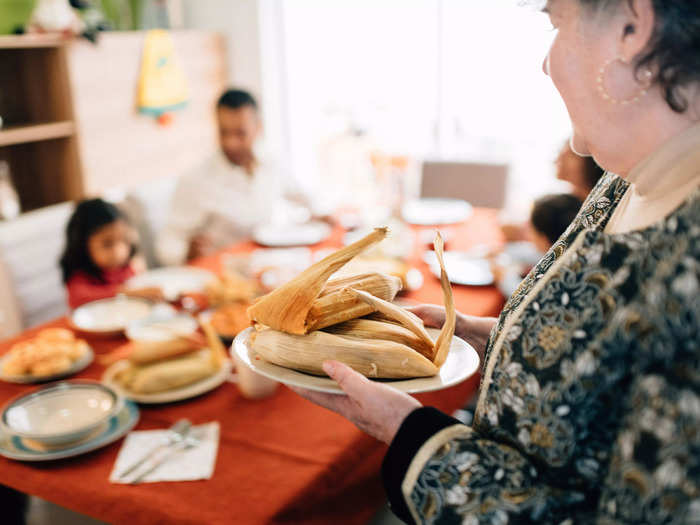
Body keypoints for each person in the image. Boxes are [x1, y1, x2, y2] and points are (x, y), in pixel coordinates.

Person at [293, 1, 699, 523]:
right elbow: (595, 379)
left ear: (631, 25)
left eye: (557, 22)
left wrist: (410, 434)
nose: (546, 63)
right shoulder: (624, 179)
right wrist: (498, 338)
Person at [157, 89, 305, 265]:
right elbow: (166, 245)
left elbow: (300, 194)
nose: (230, 143)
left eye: (240, 133)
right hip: (221, 275)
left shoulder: (270, 162)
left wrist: (323, 213)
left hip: (267, 264)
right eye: (223, 132)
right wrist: (186, 253)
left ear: (258, 128)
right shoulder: (195, 180)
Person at [60, 199, 162, 309]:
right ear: (82, 245)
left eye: (124, 240)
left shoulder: (125, 267)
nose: (119, 252)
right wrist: (125, 292)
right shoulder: (79, 276)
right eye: (107, 244)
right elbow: (78, 299)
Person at [492, 193, 583, 298]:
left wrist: (504, 278)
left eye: (530, 226)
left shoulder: (559, 274)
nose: (525, 226)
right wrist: (502, 250)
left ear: (543, 239)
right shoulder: (565, 248)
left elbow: (525, 299)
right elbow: (533, 253)